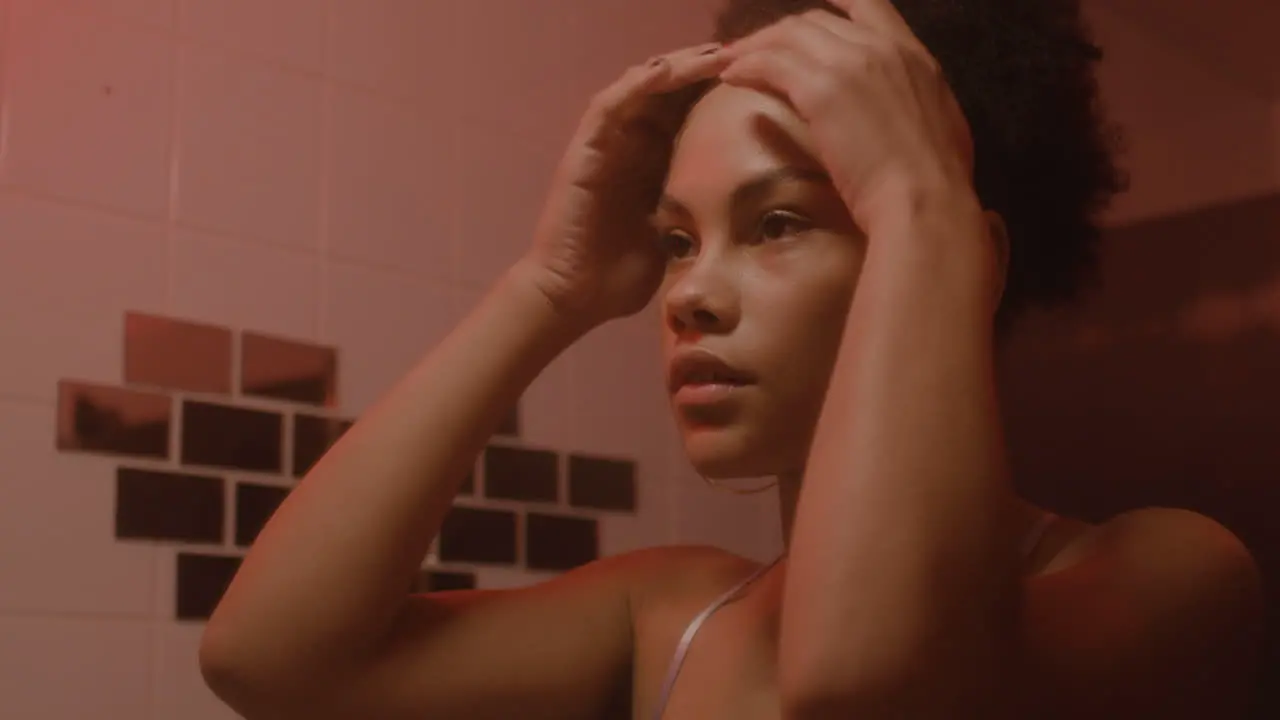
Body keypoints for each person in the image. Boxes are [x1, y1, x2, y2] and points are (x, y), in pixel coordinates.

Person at [198, 0, 1265, 718]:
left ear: (956, 253)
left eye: (776, 223)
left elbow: (865, 685)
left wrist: (916, 199)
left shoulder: (1165, 574)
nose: (691, 293)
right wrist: (547, 288)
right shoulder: (672, 610)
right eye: (675, 240)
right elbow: (273, 659)